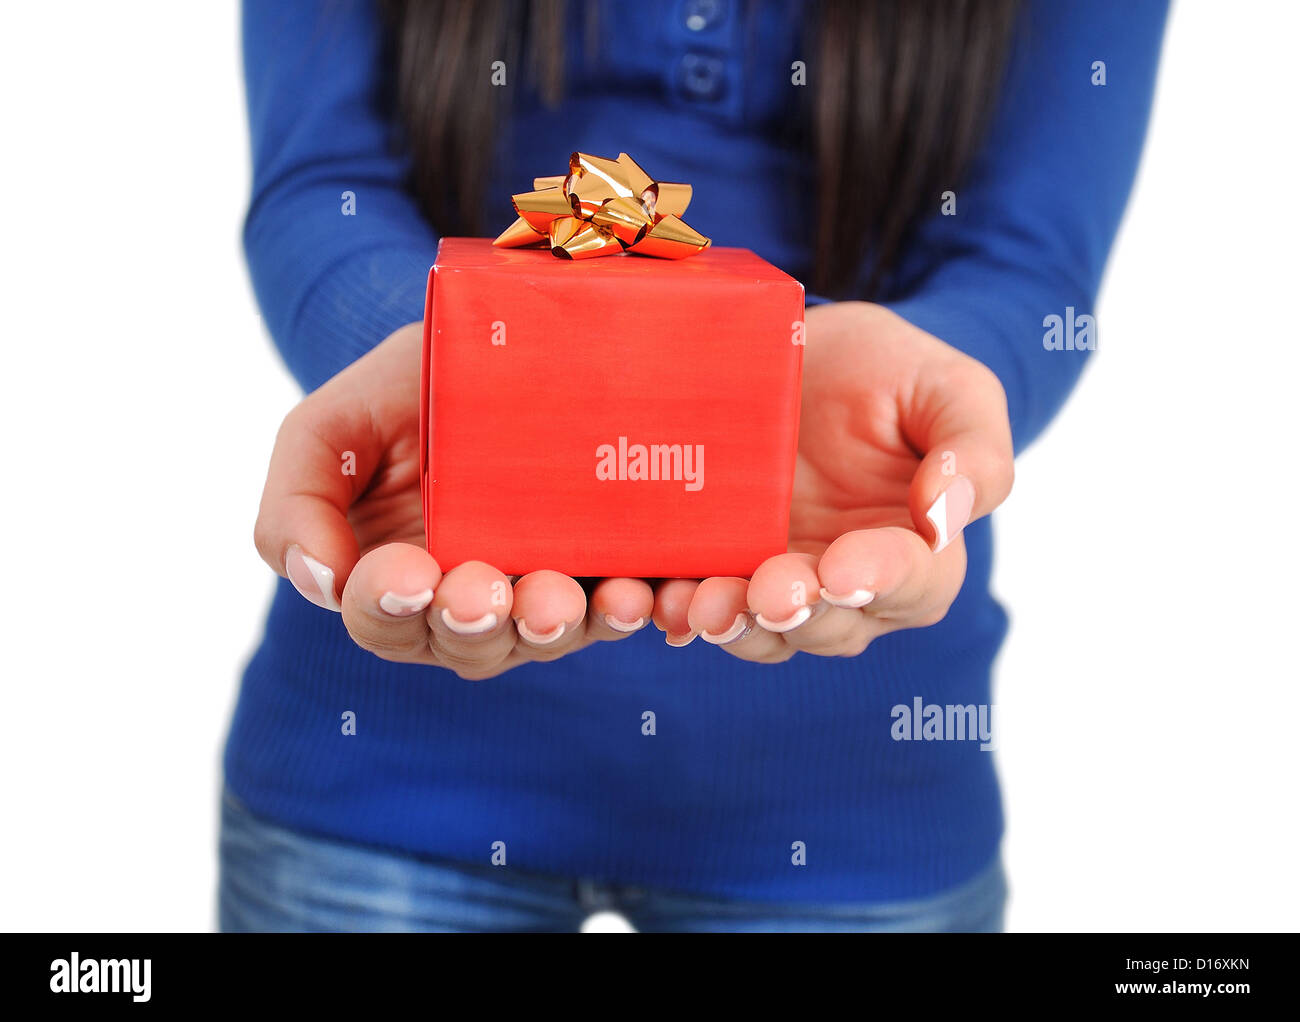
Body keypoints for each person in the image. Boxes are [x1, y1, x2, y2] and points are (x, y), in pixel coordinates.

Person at [222, 0, 1168, 931]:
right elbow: (321, 179)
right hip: (381, 782)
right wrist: (449, 371)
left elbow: (1026, 260)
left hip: (850, 804)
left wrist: (911, 400)